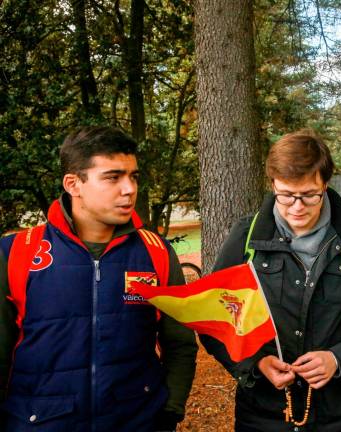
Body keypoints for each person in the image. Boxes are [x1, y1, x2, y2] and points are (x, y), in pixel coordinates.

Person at [0, 126, 198, 431]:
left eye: (133, 176)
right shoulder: (16, 254)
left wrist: (169, 412)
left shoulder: (155, 252)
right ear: (73, 184)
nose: (129, 188)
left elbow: (180, 343)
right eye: (113, 177)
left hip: (136, 420)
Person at [201, 130, 341, 431]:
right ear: (273, 185)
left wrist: (338, 359)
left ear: (325, 184)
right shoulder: (246, 238)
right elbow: (213, 321)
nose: (296, 207)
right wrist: (255, 364)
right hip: (263, 415)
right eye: (286, 196)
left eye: (308, 195)